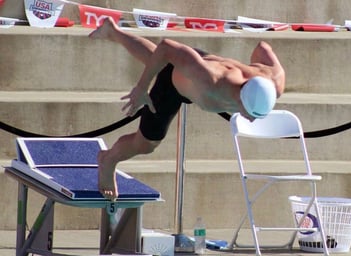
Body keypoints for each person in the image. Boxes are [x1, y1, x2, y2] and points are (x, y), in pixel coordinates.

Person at [89, 17, 285, 200]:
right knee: (145, 144)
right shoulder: (210, 78)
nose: (251, 120)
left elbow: (263, 47)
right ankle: (108, 160)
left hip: (193, 73)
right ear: (241, 98)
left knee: (159, 59)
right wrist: (141, 88)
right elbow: (165, 47)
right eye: (249, 113)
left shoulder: (275, 80)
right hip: (174, 87)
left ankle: (112, 31)